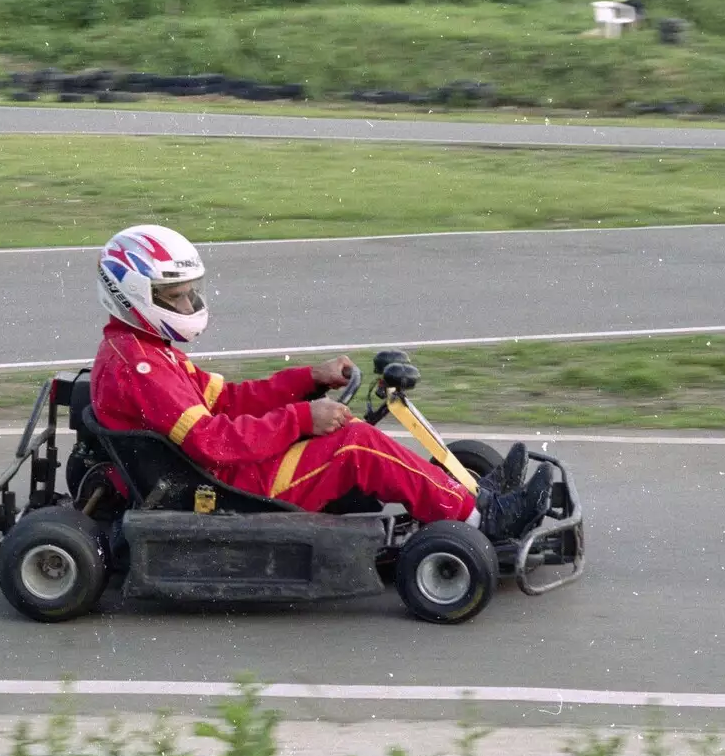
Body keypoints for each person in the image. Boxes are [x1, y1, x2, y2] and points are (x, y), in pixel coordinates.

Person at [89, 224, 554, 541]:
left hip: (213, 470)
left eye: (190, 293)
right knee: (356, 446)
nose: (189, 305)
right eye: (177, 297)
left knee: (356, 437)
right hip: (223, 486)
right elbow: (213, 443)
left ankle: (477, 495)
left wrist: (307, 379)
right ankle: (485, 519)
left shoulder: (146, 350)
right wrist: (301, 418)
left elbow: (227, 400)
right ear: (131, 297)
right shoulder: (140, 367)